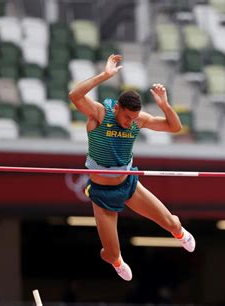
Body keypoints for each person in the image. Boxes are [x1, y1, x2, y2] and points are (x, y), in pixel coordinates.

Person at [68, 54, 196, 281]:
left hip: (128, 185)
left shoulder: (138, 120)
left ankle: (179, 232)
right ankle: (116, 261)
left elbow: (174, 127)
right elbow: (74, 95)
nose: (130, 122)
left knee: (171, 223)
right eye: (127, 117)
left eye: (133, 118)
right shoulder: (99, 113)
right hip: (102, 193)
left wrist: (165, 106)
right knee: (111, 253)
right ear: (116, 108)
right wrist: (106, 75)